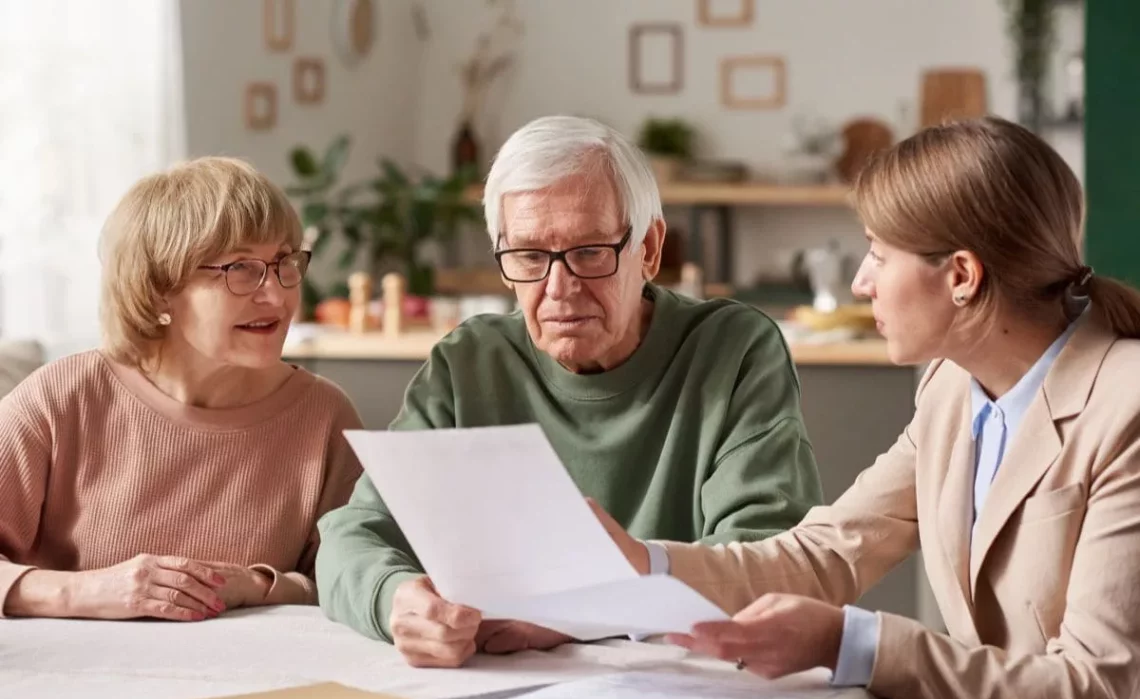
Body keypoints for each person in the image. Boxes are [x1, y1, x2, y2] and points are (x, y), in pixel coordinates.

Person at [591, 115, 1140, 699]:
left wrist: (856, 644)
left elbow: (1098, 685)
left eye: (878, 254)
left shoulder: (1125, 408)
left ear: (961, 275)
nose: (860, 282)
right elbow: (829, 552)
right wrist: (644, 564)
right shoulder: (953, 388)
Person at [315, 115, 824, 667]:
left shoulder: (735, 350)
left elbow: (767, 563)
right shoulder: (470, 363)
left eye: (589, 252)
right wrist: (396, 601)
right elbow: (351, 537)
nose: (560, 289)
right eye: (530, 257)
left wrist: (580, 615)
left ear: (649, 249)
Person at [0, 157, 363, 622]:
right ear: (157, 290)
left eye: (283, 262)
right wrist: (86, 591)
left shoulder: (324, 414)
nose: (277, 296)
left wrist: (257, 585)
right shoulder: (64, 397)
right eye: (241, 269)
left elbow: (354, 580)